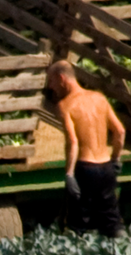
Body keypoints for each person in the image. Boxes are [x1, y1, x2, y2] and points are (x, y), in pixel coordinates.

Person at [50, 60, 126, 237]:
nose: (51, 87)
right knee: (112, 222)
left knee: (77, 223)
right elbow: (120, 132)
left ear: (62, 78)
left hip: (85, 170)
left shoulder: (65, 106)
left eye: (51, 82)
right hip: (106, 166)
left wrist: (69, 174)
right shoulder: (99, 98)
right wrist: (116, 159)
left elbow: (73, 142)